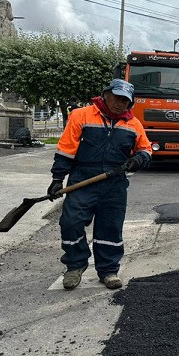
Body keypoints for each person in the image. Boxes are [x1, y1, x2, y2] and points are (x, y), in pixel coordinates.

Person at [47, 79, 152, 290]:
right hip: (83, 180)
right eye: (117, 98)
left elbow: (146, 150)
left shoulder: (133, 125)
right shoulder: (81, 116)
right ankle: (75, 265)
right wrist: (57, 179)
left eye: (125, 101)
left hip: (114, 183)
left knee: (110, 227)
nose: (120, 104)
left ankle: (108, 270)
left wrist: (137, 160)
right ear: (106, 95)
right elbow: (66, 149)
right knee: (71, 222)